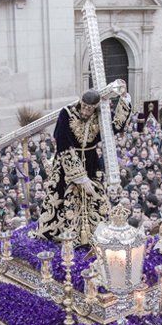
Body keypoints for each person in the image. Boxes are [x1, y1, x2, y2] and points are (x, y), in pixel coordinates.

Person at [35, 85, 132, 245]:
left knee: (95, 199)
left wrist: (125, 98)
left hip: (90, 162)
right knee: (60, 197)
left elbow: (116, 126)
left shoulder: (100, 115)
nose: (86, 112)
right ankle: (60, 234)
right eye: (84, 107)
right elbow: (63, 143)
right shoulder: (66, 113)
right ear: (80, 102)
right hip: (66, 165)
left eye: (90, 109)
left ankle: (94, 233)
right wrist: (80, 178)